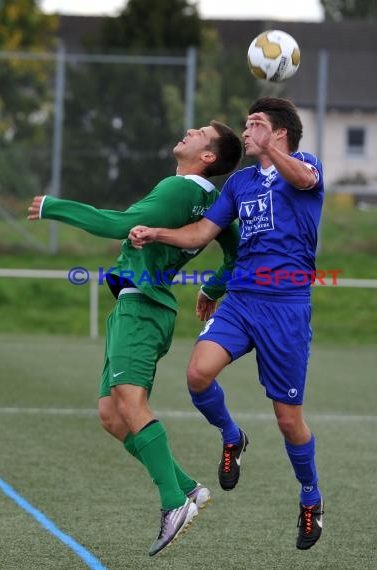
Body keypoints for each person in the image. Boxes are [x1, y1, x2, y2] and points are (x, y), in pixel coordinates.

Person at [27, 120, 242, 557]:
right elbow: (237, 254)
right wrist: (211, 288)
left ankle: (172, 502)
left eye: (199, 132)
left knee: (127, 398)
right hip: (145, 306)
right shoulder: (213, 201)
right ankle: (188, 489)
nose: (188, 130)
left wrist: (55, 206)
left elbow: (118, 224)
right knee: (111, 413)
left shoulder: (182, 189)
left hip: (142, 306)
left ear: (208, 156)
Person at [129, 97, 325, 550]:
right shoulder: (239, 184)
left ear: (280, 133)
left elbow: (302, 177)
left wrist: (271, 149)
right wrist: (157, 233)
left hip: (287, 308)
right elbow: (202, 234)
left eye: (257, 124)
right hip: (241, 301)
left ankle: (311, 497)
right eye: (247, 124)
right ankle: (232, 436)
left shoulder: (304, 165)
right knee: (197, 374)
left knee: (288, 419)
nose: (248, 130)